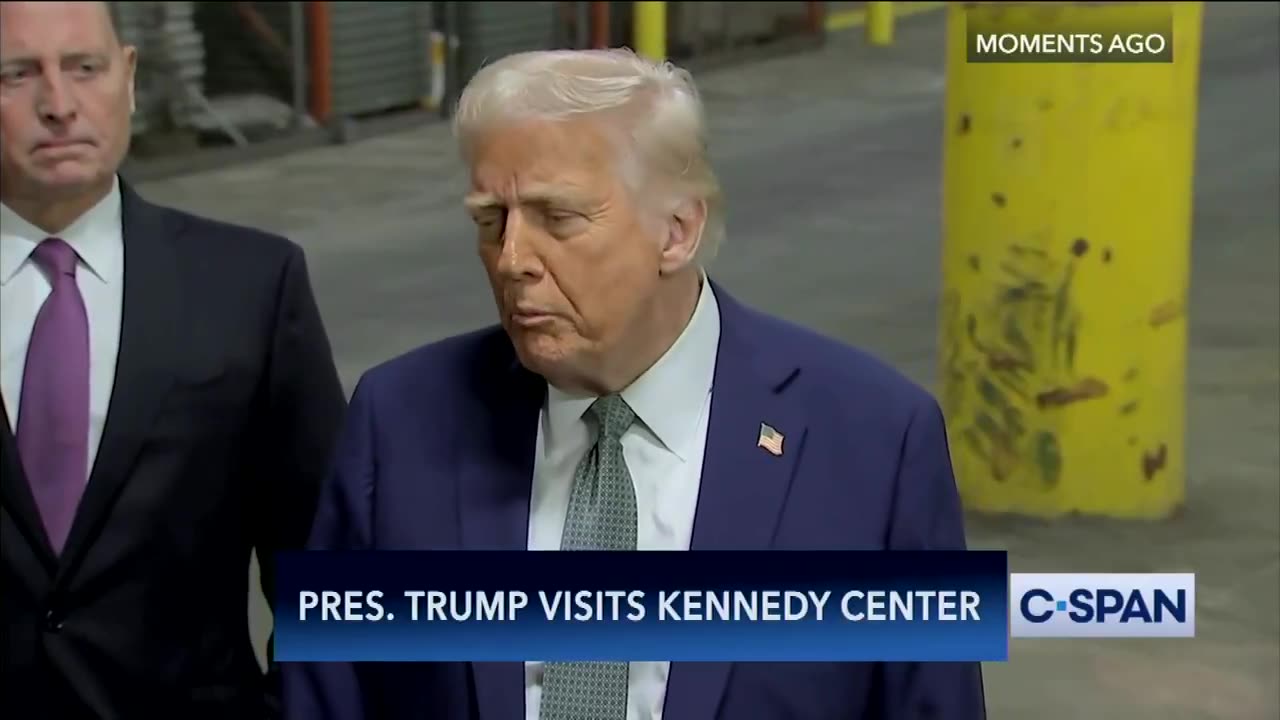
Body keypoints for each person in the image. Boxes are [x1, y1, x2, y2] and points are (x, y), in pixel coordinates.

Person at [285, 48, 985, 720]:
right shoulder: (400, 419)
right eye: (491, 221)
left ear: (676, 232)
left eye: (557, 218)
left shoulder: (874, 442)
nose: (512, 259)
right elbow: (326, 695)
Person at [0, 3, 347, 719]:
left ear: (127, 78)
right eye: (17, 74)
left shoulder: (251, 285)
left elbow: (323, 562)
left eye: (84, 68)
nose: (59, 105)